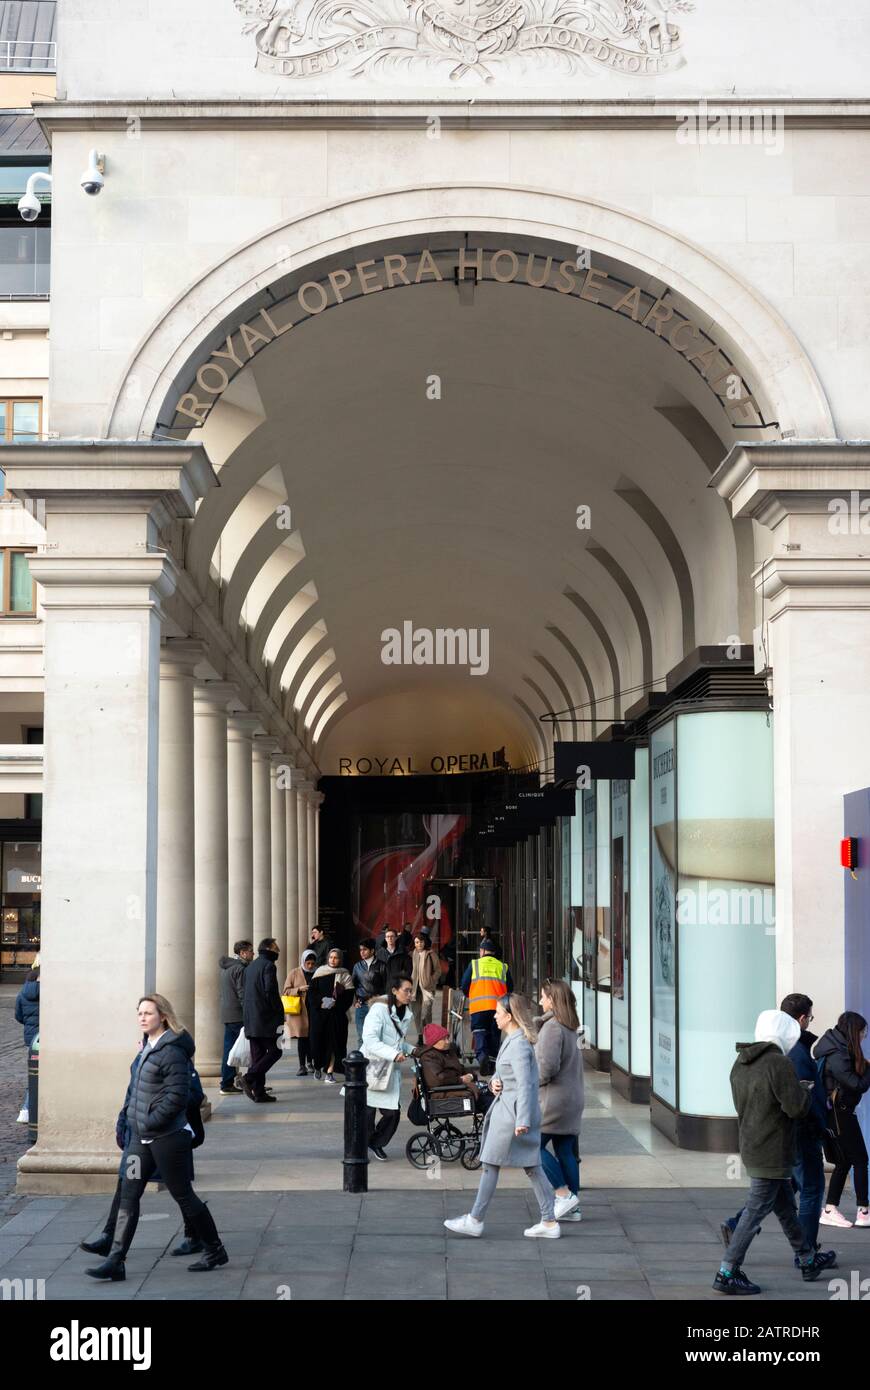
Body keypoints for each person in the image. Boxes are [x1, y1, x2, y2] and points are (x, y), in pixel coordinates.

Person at [85, 994, 227, 1281]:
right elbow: (136, 1090)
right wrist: (129, 1121)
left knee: (183, 1196)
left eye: (148, 1013)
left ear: (163, 1016)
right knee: (129, 1193)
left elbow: (178, 1095)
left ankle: (215, 1249)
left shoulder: (172, 1051)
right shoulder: (146, 1049)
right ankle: (116, 1259)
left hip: (167, 1138)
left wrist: (150, 1120)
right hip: (141, 1138)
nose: (142, 1017)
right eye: (139, 1012)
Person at [713, 1009, 832, 1295]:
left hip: (752, 1144)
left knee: (786, 1209)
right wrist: (804, 1091)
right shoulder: (779, 1063)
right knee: (754, 1213)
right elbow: (795, 1108)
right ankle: (727, 1272)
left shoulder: (741, 1062)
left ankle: (807, 1259)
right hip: (774, 1149)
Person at [81, 1026, 207, 1261]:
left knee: (180, 1190)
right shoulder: (141, 1059)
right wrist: (123, 1121)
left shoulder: (175, 1057)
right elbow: (132, 1095)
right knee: (126, 1186)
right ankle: (111, 1238)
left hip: (167, 1137)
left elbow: (193, 1095)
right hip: (139, 1139)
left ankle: (198, 1237)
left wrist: (156, 1111)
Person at [445, 993, 559, 1239]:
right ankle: (549, 1220)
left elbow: (527, 1085)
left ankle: (475, 1219)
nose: (494, 1016)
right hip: (510, 1112)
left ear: (509, 1016)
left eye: (497, 1012)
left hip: (511, 1115)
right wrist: (496, 1081)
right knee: (531, 1166)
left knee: (491, 1164)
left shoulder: (518, 1044)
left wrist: (523, 1121)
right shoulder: (514, 1040)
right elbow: (511, 1075)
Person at [815, 1010, 870, 1228]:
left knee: (844, 1161)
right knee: (861, 1160)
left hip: (837, 1113)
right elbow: (855, 1084)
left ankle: (829, 1208)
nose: (864, 1036)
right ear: (853, 1031)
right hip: (840, 1114)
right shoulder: (837, 1054)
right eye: (863, 1032)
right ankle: (863, 1210)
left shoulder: (834, 1047)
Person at [536, 979, 585, 1223]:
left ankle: (563, 1195)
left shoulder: (553, 1028)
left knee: (531, 1146)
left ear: (553, 1000)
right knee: (565, 1150)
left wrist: (530, 1083)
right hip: (573, 1097)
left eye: (543, 997)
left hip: (554, 1100)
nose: (540, 1001)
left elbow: (547, 1068)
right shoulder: (571, 1026)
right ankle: (573, 1207)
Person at [361, 975, 415, 1160]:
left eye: (411, 990)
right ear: (394, 990)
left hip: (390, 1070)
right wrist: (393, 1054)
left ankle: (375, 1143)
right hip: (372, 1067)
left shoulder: (406, 1013)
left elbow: (399, 1042)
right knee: (367, 1113)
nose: (410, 994)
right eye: (406, 990)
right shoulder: (378, 1010)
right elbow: (369, 1039)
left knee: (392, 1113)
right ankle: (363, 1146)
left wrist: (413, 1050)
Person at [413, 1023, 493, 1115]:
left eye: (448, 1038)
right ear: (434, 1042)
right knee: (489, 1102)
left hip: (454, 1087)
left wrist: (471, 1075)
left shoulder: (448, 1051)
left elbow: (460, 1068)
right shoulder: (428, 1057)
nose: (448, 1042)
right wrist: (460, 1079)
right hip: (444, 1092)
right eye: (444, 1039)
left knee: (491, 1092)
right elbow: (438, 1079)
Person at [241, 937, 284, 1103]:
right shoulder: (269, 966)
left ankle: (259, 1093)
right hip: (265, 1019)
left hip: (251, 1018)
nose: (278, 950)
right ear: (269, 949)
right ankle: (249, 1077)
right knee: (275, 1051)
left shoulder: (251, 966)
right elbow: (270, 992)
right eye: (276, 947)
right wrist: (279, 1011)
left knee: (258, 1056)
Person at [460, 940, 512, 1075]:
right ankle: (493, 1063)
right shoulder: (503, 967)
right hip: (499, 1008)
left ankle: (482, 1056)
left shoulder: (474, 964)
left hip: (479, 1006)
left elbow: (464, 984)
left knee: (480, 1032)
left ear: (482, 951)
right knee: (495, 1033)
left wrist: (470, 994)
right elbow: (510, 988)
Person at [307, 948, 355, 1083]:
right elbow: (312, 993)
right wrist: (321, 1002)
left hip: (336, 1016)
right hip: (319, 1015)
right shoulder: (319, 972)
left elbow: (349, 996)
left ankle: (329, 1071)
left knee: (334, 1044)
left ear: (340, 959)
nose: (333, 960)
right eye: (331, 957)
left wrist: (336, 1003)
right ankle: (317, 1066)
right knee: (318, 1043)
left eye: (336, 958)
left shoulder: (345, 975)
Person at [218, 940, 253, 1095]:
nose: (253, 953)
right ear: (243, 953)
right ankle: (249, 1082)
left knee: (230, 1049)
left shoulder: (227, 969)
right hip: (238, 1015)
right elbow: (242, 994)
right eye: (251, 951)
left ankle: (227, 1082)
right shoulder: (239, 969)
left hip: (228, 1014)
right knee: (251, 1048)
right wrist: (250, 1014)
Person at [282, 949, 317, 1076]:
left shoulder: (317, 973)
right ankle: (302, 1065)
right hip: (300, 1011)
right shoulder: (294, 973)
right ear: (303, 961)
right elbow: (286, 991)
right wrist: (299, 989)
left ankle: (310, 1062)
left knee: (312, 1038)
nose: (310, 966)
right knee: (302, 1038)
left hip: (314, 1009)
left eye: (312, 963)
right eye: (308, 963)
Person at [14, 967, 39, 1123]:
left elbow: (19, 1016)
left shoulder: (23, 993)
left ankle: (27, 1110)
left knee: (34, 1074)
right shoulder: (48, 992)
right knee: (38, 1076)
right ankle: (26, 1109)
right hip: (45, 1039)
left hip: (31, 1039)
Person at [410, 931, 440, 1042]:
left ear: (424, 942)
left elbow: (438, 970)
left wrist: (431, 980)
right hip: (415, 988)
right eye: (417, 942)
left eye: (421, 942)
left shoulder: (431, 954)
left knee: (426, 1013)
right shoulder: (413, 954)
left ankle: (429, 1035)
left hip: (427, 988)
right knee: (416, 1013)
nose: (419, 944)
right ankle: (420, 1036)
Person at [352, 939, 379, 1042]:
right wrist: (354, 1002)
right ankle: (361, 1058)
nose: (362, 952)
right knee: (361, 1037)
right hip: (361, 1005)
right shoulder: (357, 966)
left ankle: (374, 1058)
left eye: (365, 950)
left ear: (372, 951)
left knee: (376, 1037)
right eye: (360, 950)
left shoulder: (381, 965)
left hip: (377, 1005)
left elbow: (386, 986)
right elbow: (352, 985)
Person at [375, 928, 411, 993]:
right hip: (384, 986)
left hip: (399, 985)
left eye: (392, 936)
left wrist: (403, 981)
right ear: (385, 939)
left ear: (396, 938)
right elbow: (376, 970)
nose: (390, 938)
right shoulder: (379, 953)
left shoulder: (402, 952)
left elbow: (408, 969)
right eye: (388, 937)